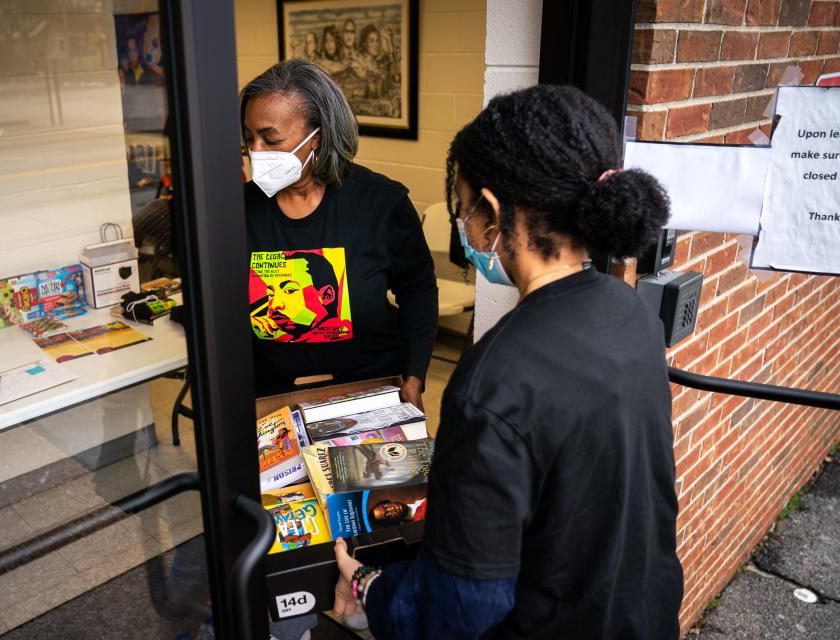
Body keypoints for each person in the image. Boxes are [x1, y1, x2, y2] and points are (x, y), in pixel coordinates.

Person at [332, 85, 684, 639]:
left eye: (462, 205)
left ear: (491, 213)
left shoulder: (494, 382)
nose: (462, 225)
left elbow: (460, 610)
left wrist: (368, 589)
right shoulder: (630, 313)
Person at [241, 59, 438, 408]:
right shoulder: (238, 211)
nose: (256, 152)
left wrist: (414, 376)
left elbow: (417, 289)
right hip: (271, 400)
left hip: (369, 392)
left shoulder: (381, 203)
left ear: (318, 137)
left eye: (270, 138)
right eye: (248, 139)